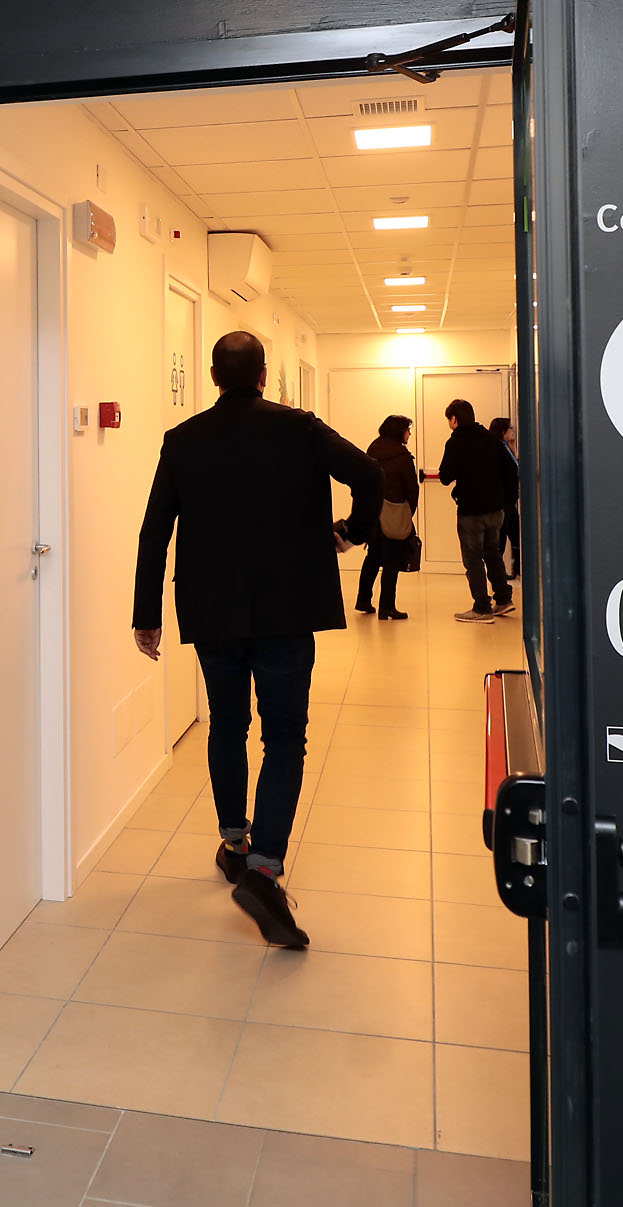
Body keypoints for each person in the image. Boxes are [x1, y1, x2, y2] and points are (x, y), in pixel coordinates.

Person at [133, 330, 382, 950]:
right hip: (287, 610)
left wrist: (146, 614)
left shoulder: (182, 439)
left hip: (212, 612)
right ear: (264, 375)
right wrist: (352, 531)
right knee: (284, 736)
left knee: (226, 724)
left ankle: (234, 843)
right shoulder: (299, 428)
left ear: (214, 377)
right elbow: (370, 473)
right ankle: (264, 868)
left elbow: (154, 530)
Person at [438, 398, 513, 621]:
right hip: (495, 509)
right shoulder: (491, 439)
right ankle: (503, 599)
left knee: (473, 559)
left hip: (471, 510)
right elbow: (510, 470)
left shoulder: (456, 442)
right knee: (493, 553)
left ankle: (482, 607)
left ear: (454, 419)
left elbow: (445, 476)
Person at [356, 414, 418, 620]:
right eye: (408, 430)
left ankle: (363, 600)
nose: (409, 434)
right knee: (392, 561)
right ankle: (387, 607)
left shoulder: (372, 450)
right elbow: (412, 490)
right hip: (394, 513)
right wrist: (407, 513)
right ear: (399, 431)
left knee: (373, 557)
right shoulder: (402, 457)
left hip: (373, 512)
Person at [489, 414, 521, 581]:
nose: (513, 431)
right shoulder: (497, 449)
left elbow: (516, 468)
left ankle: (517, 567)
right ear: (502, 431)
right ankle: (498, 574)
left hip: (510, 499)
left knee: (515, 532)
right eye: (510, 428)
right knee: (501, 536)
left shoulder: (506, 447)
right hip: (503, 500)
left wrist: (514, 450)